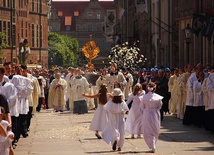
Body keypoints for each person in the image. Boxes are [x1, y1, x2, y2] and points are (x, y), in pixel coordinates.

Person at [140, 82, 163, 153]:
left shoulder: (144, 97)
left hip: (147, 113)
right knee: (155, 128)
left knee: (147, 129)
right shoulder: (158, 98)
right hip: (155, 113)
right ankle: (153, 143)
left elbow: (142, 106)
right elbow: (160, 106)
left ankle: (152, 144)